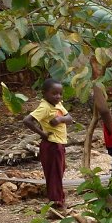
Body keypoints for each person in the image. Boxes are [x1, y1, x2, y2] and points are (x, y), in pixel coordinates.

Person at [23, 78, 73, 213]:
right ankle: (57, 203)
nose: (58, 96)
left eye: (60, 93)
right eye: (54, 93)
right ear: (44, 93)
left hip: (59, 144)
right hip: (51, 145)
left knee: (59, 172)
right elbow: (27, 120)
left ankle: (58, 199)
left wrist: (60, 119)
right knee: (54, 174)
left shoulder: (58, 104)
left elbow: (70, 118)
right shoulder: (45, 107)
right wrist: (43, 134)